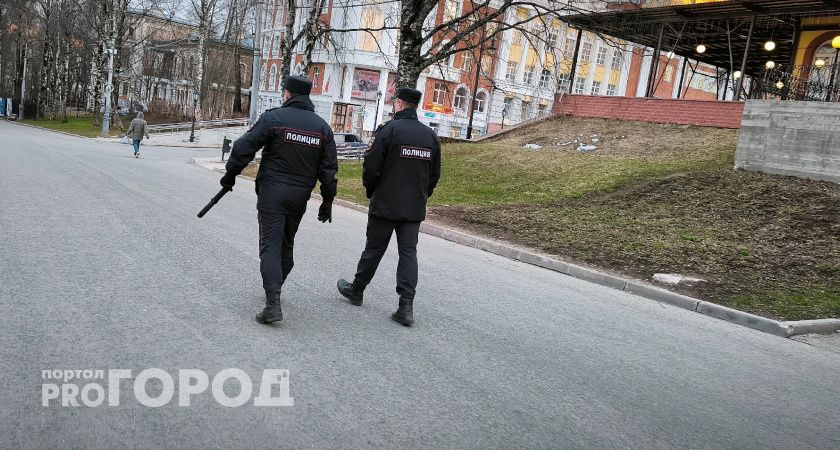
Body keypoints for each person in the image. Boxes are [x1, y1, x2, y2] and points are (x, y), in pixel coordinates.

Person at [222, 75, 338, 324]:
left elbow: (244, 147)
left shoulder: (274, 118)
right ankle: (276, 286)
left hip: (272, 194)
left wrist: (230, 175)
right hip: (299, 198)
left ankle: (272, 302)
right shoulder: (322, 128)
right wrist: (327, 201)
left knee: (270, 246)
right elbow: (329, 171)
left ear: (287, 94)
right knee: (286, 243)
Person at [336, 87, 441, 326]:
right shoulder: (430, 136)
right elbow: (434, 174)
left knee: (373, 249)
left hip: (386, 203)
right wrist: (423, 195)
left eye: (395, 102)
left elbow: (371, 166)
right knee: (408, 254)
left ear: (400, 104)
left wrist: (371, 190)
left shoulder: (388, 130)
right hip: (413, 207)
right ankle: (406, 306)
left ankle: (357, 290)